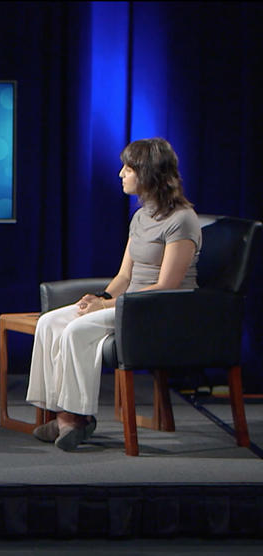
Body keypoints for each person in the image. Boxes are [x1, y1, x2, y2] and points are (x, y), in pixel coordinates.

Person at [26, 137, 200, 451]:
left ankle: (76, 419)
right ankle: (59, 412)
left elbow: (167, 287)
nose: (121, 174)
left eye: (128, 168)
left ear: (148, 174)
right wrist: (100, 298)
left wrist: (111, 306)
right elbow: (124, 276)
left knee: (77, 329)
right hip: (129, 303)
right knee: (49, 322)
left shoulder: (182, 221)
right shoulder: (141, 217)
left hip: (160, 310)